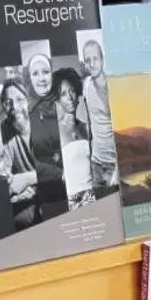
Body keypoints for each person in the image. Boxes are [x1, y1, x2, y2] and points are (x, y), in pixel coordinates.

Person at [25, 53, 66, 208]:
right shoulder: (26, 114)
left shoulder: (64, 105)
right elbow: (29, 160)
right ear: (30, 79)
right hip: (47, 190)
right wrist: (59, 174)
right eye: (35, 73)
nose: (41, 78)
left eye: (46, 72)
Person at [0, 81, 40, 228]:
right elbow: (6, 180)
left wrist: (27, 178)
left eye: (20, 100)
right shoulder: (3, 133)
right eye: (8, 103)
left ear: (29, 101)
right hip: (27, 201)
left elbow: (63, 172)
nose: (14, 107)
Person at [53, 68, 95, 208]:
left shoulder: (86, 128)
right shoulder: (54, 131)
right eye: (63, 94)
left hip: (92, 195)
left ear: (77, 93)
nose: (69, 98)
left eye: (71, 91)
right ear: (58, 99)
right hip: (70, 199)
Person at [81, 40, 118, 188]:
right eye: (87, 60)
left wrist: (117, 170)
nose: (92, 64)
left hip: (113, 166)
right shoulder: (86, 85)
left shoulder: (113, 88)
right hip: (95, 163)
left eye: (95, 58)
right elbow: (89, 122)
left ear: (102, 60)